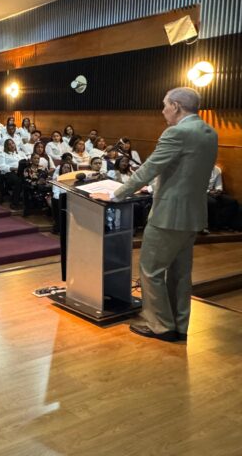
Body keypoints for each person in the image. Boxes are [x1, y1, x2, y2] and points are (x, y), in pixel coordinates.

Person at [91, 87, 218, 342]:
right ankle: (179, 325)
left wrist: (117, 195)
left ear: (177, 107)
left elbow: (149, 168)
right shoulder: (209, 133)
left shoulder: (177, 132)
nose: (162, 111)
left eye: (165, 105)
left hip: (169, 215)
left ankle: (159, 325)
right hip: (192, 215)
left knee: (151, 270)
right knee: (181, 273)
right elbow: (184, 172)